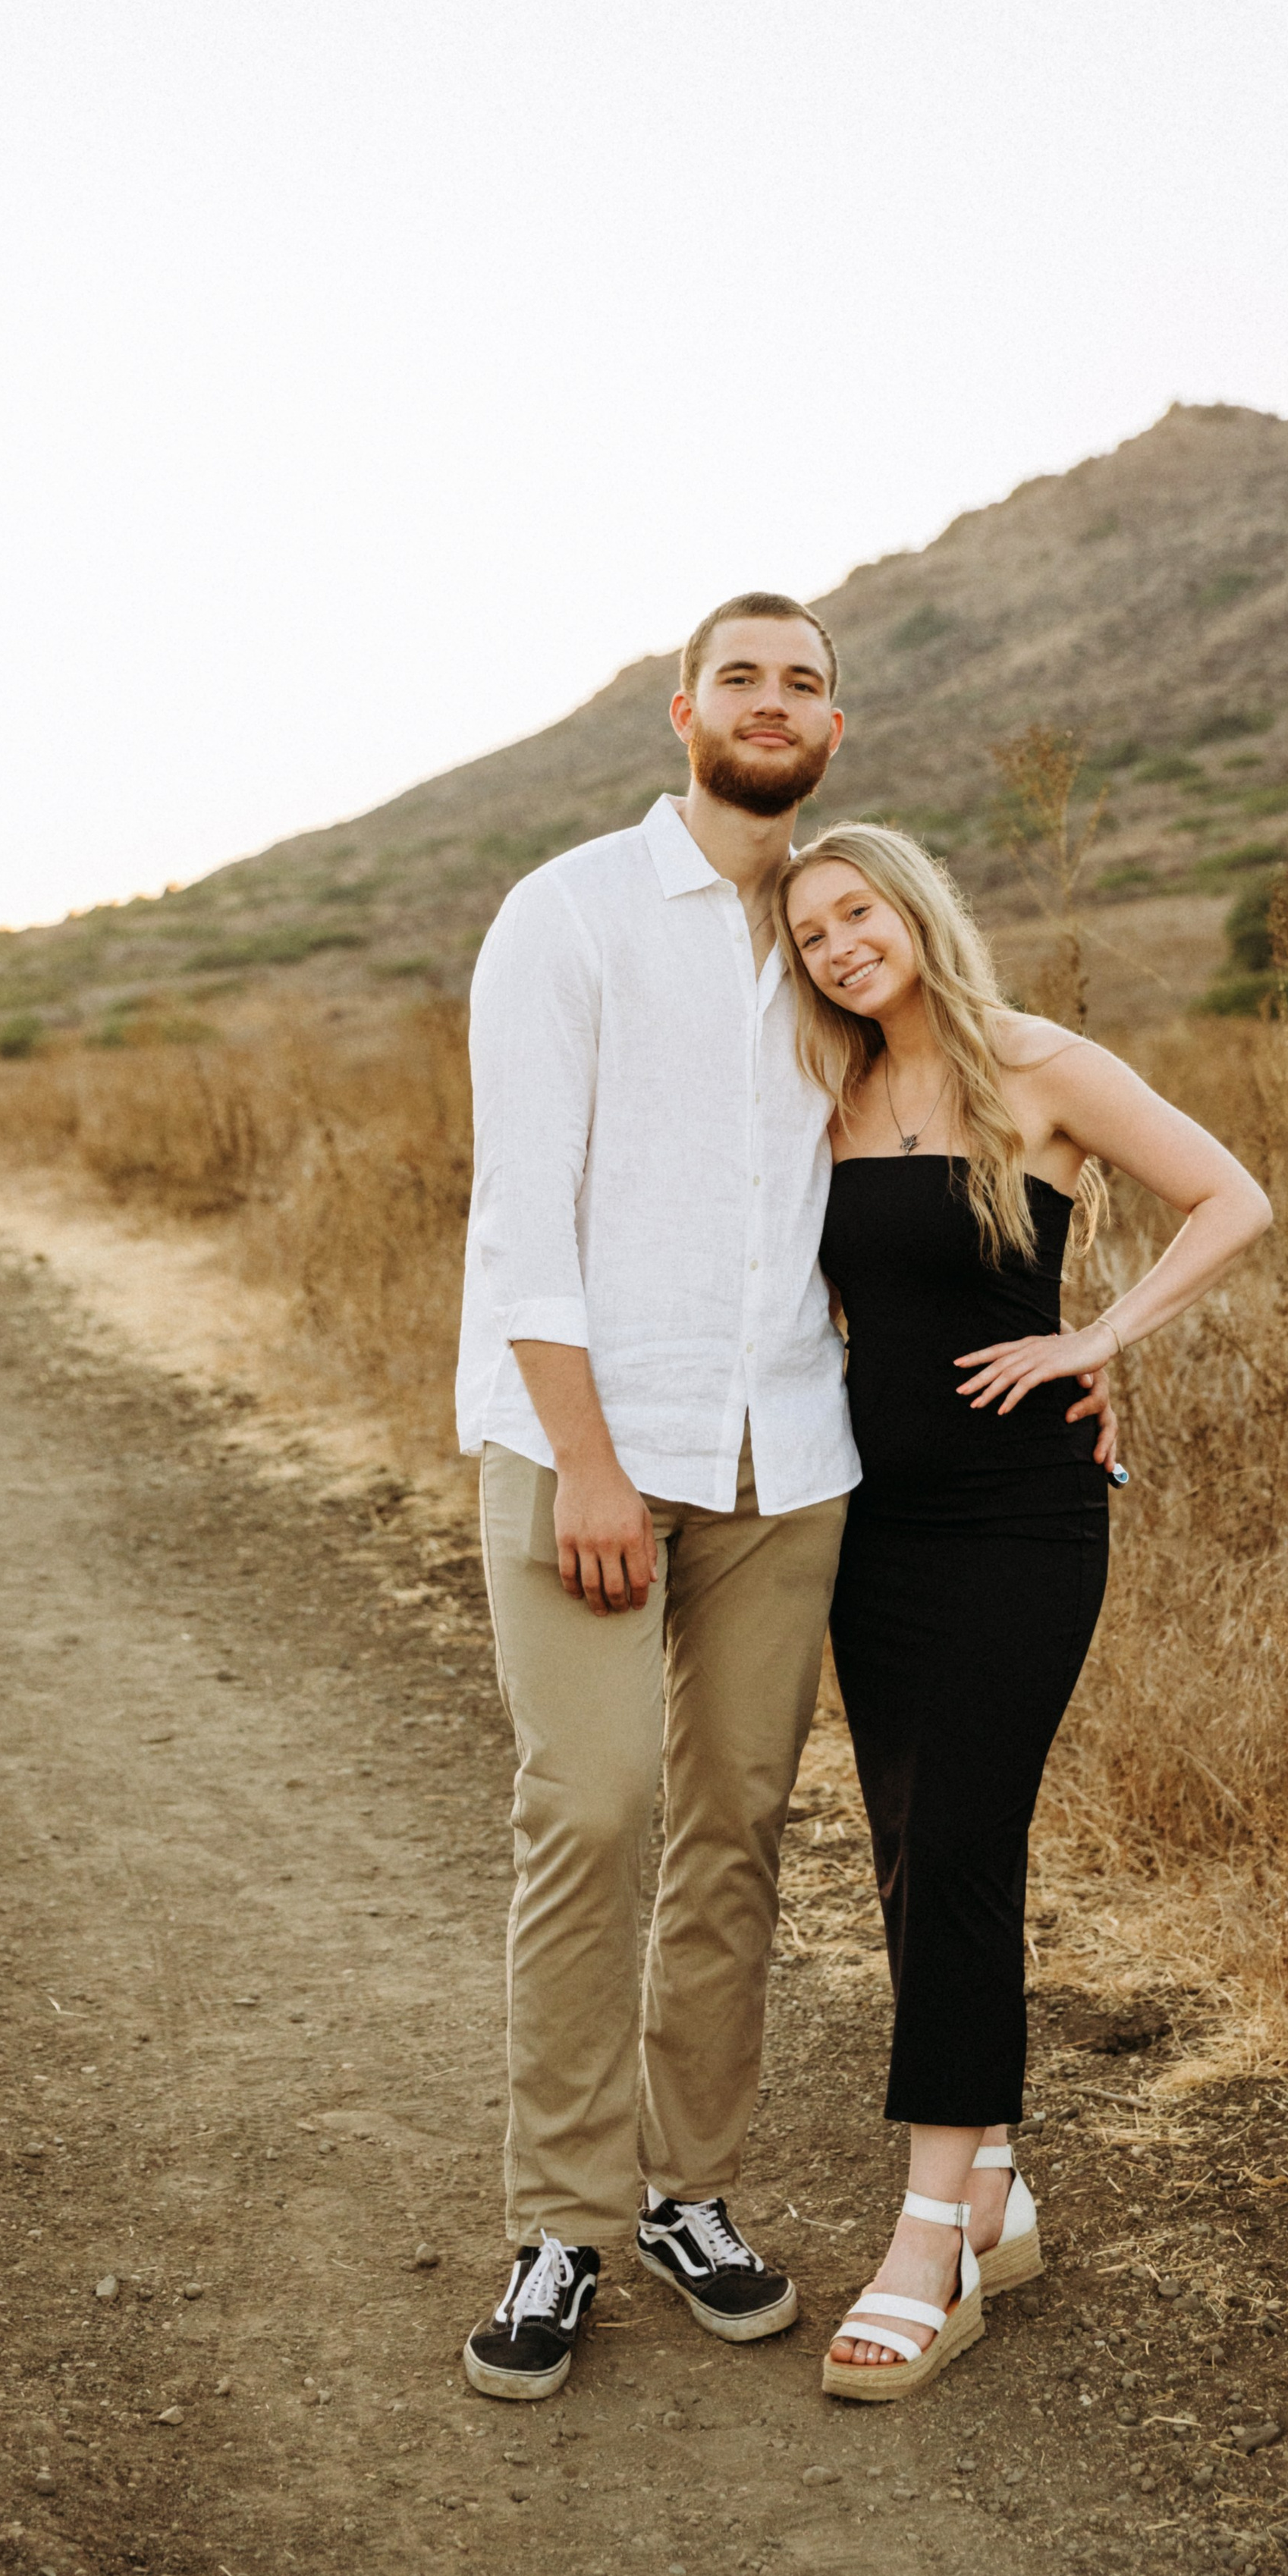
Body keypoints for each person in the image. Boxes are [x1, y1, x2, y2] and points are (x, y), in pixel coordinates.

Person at [776, 823, 1272, 2402]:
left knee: (969, 1846)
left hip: (1017, 1521)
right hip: (875, 1525)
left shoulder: (1037, 1062)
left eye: (857, 911)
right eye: (808, 934)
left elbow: (1228, 1197)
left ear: (911, 907)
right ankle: (994, 2185)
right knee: (915, 1845)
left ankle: (927, 2242)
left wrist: (1094, 1336)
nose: (839, 944)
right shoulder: (827, 1094)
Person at [451, 592, 862, 2402]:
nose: (774, 703)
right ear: (682, 711)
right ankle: (558, 2223)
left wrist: (1069, 1375)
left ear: (830, 727)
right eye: (744, 677)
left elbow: (939, 1173)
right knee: (597, 1806)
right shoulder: (572, 913)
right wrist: (593, 1462)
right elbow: (519, 1218)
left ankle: (692, 2188)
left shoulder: (848, 933)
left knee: (735, 1829)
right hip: (585, 1451)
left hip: (789, 1458)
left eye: (808, 680)